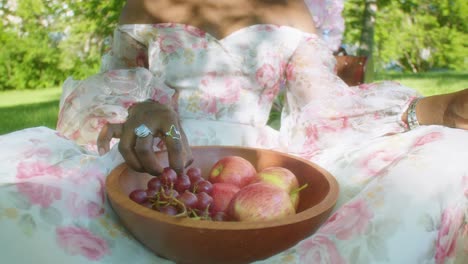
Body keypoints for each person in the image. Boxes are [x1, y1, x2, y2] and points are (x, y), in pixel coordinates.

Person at [0, 0, 467, 263]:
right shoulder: (144, 3)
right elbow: (103, 98)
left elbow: (323, 109)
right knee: (17, 199)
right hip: (156, 164)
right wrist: (138, 108)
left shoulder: (292, 12)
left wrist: (437, 108)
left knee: (441, 162)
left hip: (256, 164)